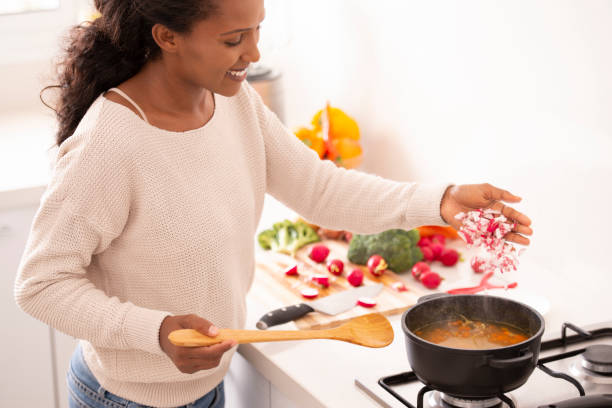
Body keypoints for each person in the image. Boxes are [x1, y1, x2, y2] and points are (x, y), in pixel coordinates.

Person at [14, 0, 533, 407]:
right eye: (233, 39)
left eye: (257, 30)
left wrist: (442, 202)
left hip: (206, 390)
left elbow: (321, 190)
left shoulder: (235, 103)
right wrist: (154, 332)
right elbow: (41, 284)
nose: (254, 53)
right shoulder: (110, 144)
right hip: (124, 400)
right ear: (167, 36)